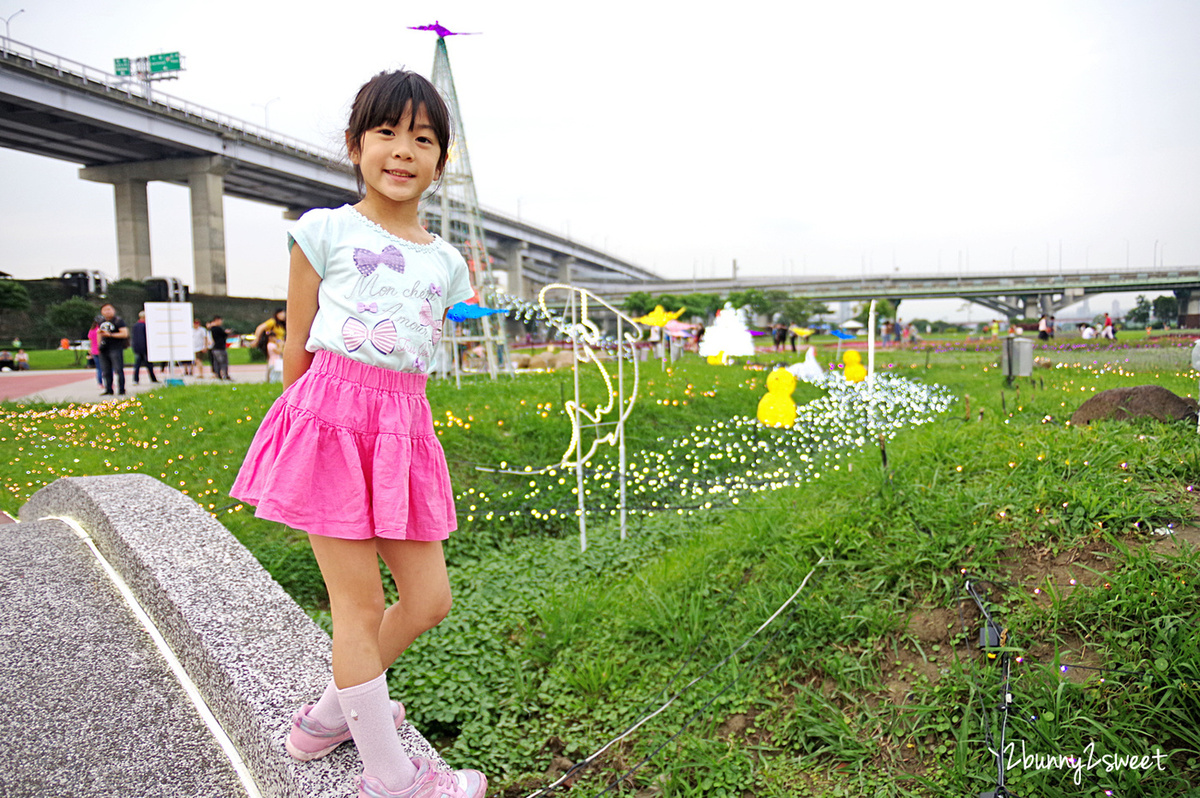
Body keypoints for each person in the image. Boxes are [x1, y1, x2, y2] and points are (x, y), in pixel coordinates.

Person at [229, 70, 486, 798]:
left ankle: (333, 713)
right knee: (359, 606)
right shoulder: (324, 230)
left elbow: (431, 334)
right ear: (355, 145)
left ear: (442, 160)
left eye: (423, 138)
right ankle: (391, 778)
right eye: (387, 133)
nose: (403, 151)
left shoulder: (448, 261)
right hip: (331, 421)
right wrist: (304, 431)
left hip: (403, 427)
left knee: (429, 598)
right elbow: (298, 349)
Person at [96, 303, 129, 396]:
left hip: (115, 348)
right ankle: (108, 389)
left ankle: (121, 389)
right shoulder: (101, 322)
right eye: (105, 310)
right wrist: (99, 345)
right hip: (104, 348)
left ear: (113, 310)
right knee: (105, 370)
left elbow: (124, 333)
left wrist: (110, 335)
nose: (107, 312)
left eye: (109, 309)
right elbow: (99, 334)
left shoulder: (118, 321)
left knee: (118, 369)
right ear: (102, 312)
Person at [131, 310, 158, 385]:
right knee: (149, 364)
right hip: (144, 348)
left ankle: (136, 379)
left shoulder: (135, 325)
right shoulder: (145, 326)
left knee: (137, 365)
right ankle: (153, 378)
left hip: (137, 347)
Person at [208, 316, 231, 380]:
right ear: (217, 320)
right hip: (220, 348)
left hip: (214, 348)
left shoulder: (211, 329)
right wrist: (226, 333)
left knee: (216, 363)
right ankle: (225, 374)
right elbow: (224, 335)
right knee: (223, 362)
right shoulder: (217, 329)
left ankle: (218, 374)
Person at [87, 319, 103, 386]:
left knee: (98, 368)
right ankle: (108, 382)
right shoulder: (100, 330)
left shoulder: (91, 330)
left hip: (94, 350)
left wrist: (90, 350)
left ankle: (100, 382)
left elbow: (90, 341)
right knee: (106, 367)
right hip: (101, 350)